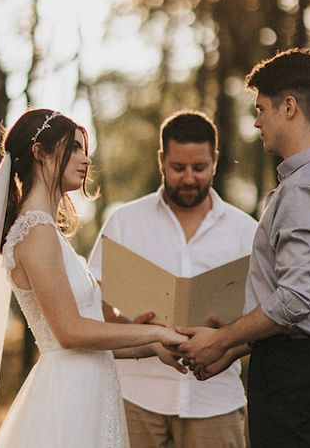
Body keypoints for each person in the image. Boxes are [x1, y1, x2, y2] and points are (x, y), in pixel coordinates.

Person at [0, 108, 188, 448]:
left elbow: (88, 342)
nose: (86, 159)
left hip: (88, 389)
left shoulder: (47, 231)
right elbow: (69, 333)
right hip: (68, 400)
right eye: (74, 148)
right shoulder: (36, 230)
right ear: (40, 153)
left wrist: (153, 346)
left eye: (86, 149)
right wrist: (155, 329)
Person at [177, 49, 310, 448]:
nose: (256, 121)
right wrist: (235, 347)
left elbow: (297, 298)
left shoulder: (303, 190)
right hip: (309, 363)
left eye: (261, 108)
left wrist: (221, 338)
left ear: (289, 107)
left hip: (293, 371)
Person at [89, 111, 257, 448]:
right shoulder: (124, 223)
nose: (189, 178)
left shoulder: (246, 231)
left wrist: (226, 342)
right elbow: (95, 309)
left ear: (216, 160)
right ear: (162, 160)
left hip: (215, 401)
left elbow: (267, 318)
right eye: (178, 168)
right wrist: (138, 333)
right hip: (136, 397)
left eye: (200, 168)